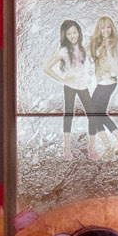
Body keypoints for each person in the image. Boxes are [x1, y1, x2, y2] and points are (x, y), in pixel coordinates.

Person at [42, 19, 95, 157]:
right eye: (69, 34)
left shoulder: (84, 48)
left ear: (79, 32)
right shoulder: (64, 51)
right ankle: (66, 147)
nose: (72, 36)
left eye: (74, 32)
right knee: (69, 114)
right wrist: (62, 79)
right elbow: (46, 67)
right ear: (65, 35)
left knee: (92, 114)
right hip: (70, 86)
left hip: (83, 86)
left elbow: (90, 65)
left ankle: (92, 146)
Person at [83, 15, 118, 160]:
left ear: (112, 28)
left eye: (108, 27)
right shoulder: (96, 43)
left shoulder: (117, 42)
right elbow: (85, 54)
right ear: (99, 29)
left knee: (93, 113)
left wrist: (114, 72)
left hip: (109, 82)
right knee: (99, 114)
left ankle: (109, 147)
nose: (106, 30)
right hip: (100, 82)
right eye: (103, 28)